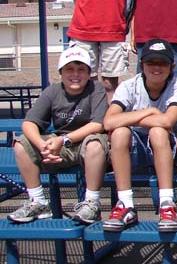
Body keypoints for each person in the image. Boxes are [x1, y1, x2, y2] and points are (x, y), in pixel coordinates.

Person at [8, 46, 109, 225]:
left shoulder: (96, 89)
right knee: (21, 144)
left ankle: (92, 203)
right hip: (60, 146)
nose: (75, 74)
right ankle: (38, 201)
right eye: (69, 69)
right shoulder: (52, 91)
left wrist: (63, 140)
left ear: (89, 73)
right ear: (61, 72)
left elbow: (98, 125)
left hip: (86, 145)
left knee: (95, 144)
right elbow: (29, 123)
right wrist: (42, 146)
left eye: (81, 69)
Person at [102, 39, 177, 232]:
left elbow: (167, 122)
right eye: (151, 62)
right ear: (142, 64)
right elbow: (108, 122)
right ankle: (126, 204)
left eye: (162, 63)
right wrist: (149, 112)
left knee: (158, 132)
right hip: (135, 151)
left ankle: (167, 203)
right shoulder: (129, 86)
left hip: (167, 150)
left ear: (172, 66)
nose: (156, 68)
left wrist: (129, 118)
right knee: (119, 133)